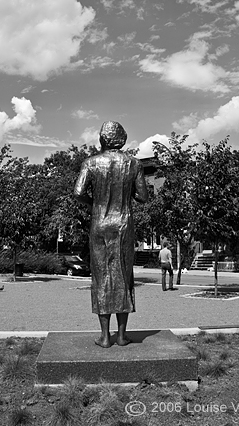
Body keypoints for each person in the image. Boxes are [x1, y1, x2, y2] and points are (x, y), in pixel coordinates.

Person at [74, 121, 148, 348]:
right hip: (124, 224)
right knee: (124, 276)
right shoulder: (134, 164)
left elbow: (78, 192)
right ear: (123, 139)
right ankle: (122, 335)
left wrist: (96, 203)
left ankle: (105, 337)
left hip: (99, 225)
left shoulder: (91, 163)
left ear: (102, 139)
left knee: (102, 277)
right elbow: (143, 197)